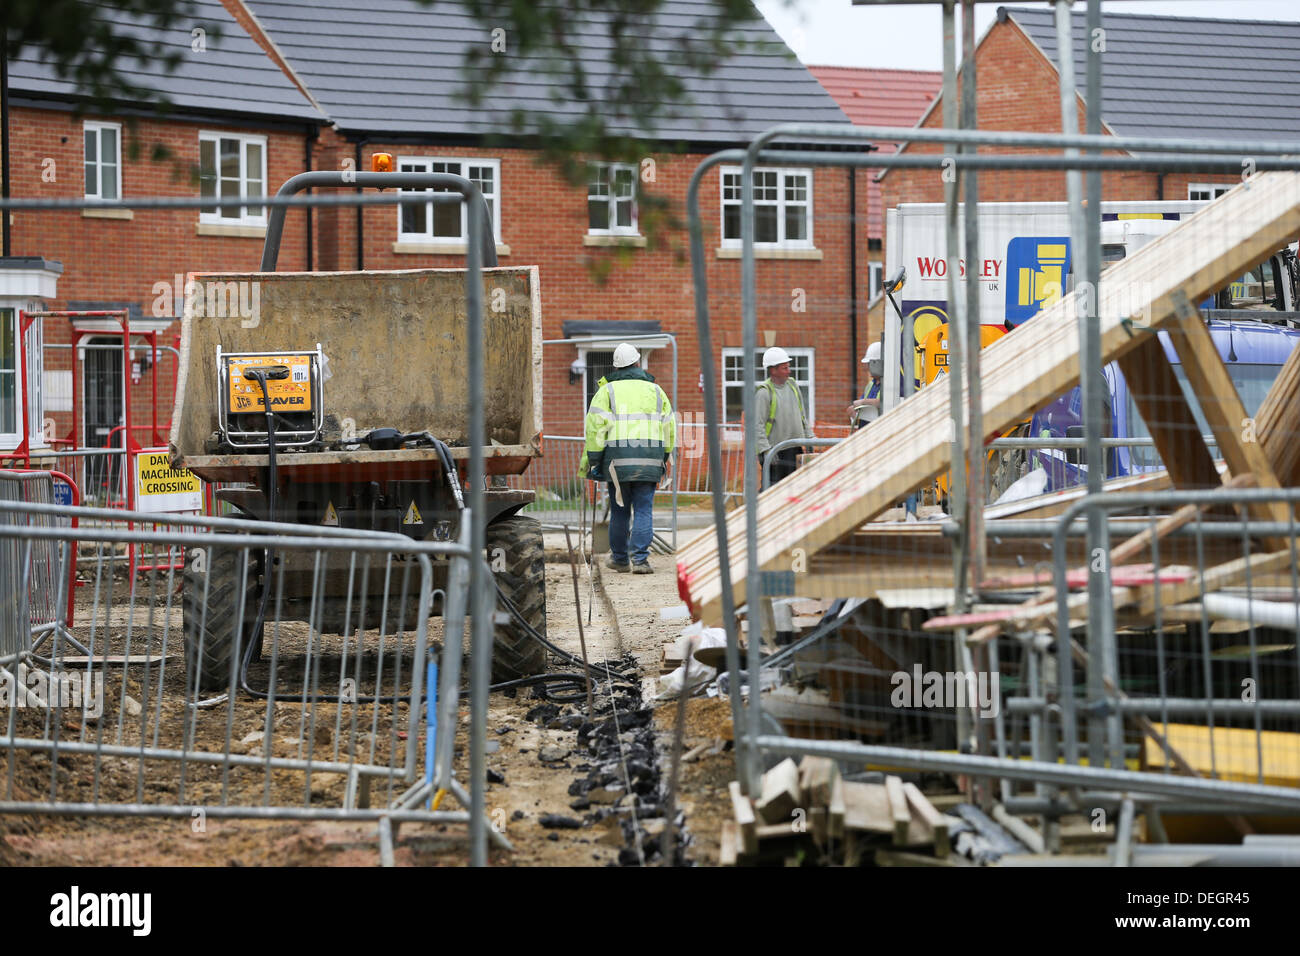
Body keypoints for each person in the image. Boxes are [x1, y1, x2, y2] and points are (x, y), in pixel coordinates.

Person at [582, 342, 675, 573]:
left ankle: (621, 559)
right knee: (644, 509)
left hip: (617, 463)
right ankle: (640, 560)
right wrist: (665, 457)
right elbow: (669, 428)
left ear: (616, 367)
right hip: (650, 460)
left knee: (620, 509)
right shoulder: (656, 391)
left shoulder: (607, 391)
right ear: (637, 362)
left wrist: (594, 460)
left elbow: (595, 429)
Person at [755, 345, 812, 486]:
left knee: (794, 488)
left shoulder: (793, 386)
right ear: (773, 370)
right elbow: (757, 425)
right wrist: (766, 450)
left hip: (794, 448)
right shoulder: (764, 392)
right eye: (784, 368)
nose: (789, 371)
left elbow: (802, 415)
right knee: (772, 490)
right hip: (775, 452)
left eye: (788, 367)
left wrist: (810, 438)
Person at [848, 341, 883, 429]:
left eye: (869, 364)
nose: (868, 368)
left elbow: (885, 402)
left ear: (877, 363)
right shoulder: (871, 385)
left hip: (879, 429)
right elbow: (860, 405)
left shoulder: (890, 383)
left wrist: (863, 402)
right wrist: (854, 409)